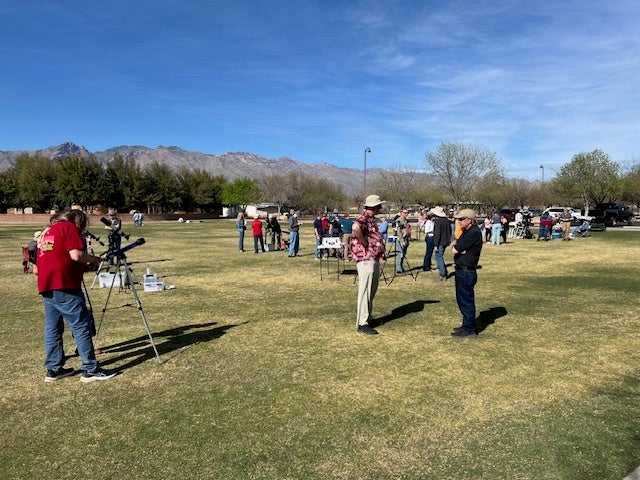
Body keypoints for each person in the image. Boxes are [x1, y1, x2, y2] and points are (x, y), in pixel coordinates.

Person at [37, 209, 117, 382]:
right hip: (64, 285)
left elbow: (59, 257)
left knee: (53, 328)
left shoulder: (47, 231)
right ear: (78, 221)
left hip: (47, 284)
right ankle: (90, 369)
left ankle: (54, 368)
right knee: (81, 325)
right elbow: (76, 255)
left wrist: (83, 266)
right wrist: (94, 259)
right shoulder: (69, 228)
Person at [351, 194, 387, 335]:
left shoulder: (371, 219)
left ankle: (367, 317)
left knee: (371, 289)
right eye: (379, 205)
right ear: (375, 206)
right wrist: (364, 242)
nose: (380, 208)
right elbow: (355, 227)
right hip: (366, 258)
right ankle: (362, 322)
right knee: (365, 289)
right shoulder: (364, 217)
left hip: (372, 258)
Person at [450, 209, 483, 338]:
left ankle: (469, 329)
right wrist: (459, 249)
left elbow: (455, 249)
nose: (458, 221)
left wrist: (459, 249)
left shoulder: (473, 232)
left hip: (466, 271)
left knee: (466, 301)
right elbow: (456, 246)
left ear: (469, 219)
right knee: (461, 299)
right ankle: (466, 325)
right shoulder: (466, 231)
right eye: (458, 219)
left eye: (461, 219)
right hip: (461, 270)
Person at [431, 206, 451, 282]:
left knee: (438, 257)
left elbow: (437, 234)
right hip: (446, 241)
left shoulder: (438, 221)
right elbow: (450, 231)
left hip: (440, 242)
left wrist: (435, 245)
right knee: (440, 256)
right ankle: (443, 272)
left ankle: (442, 274)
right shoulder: (447, 220)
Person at [395, 208, 411, 273]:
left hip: (406, 238)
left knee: (403, 254)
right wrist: (402, 241)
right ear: (401, 213)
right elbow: (398, 232)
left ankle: (401, 267)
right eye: (405, 213)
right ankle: (398, 269)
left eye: (407, 213)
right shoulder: (399, 220)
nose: (406, 214)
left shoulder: (406, 220)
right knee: (400, 254)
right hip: (401, 239)